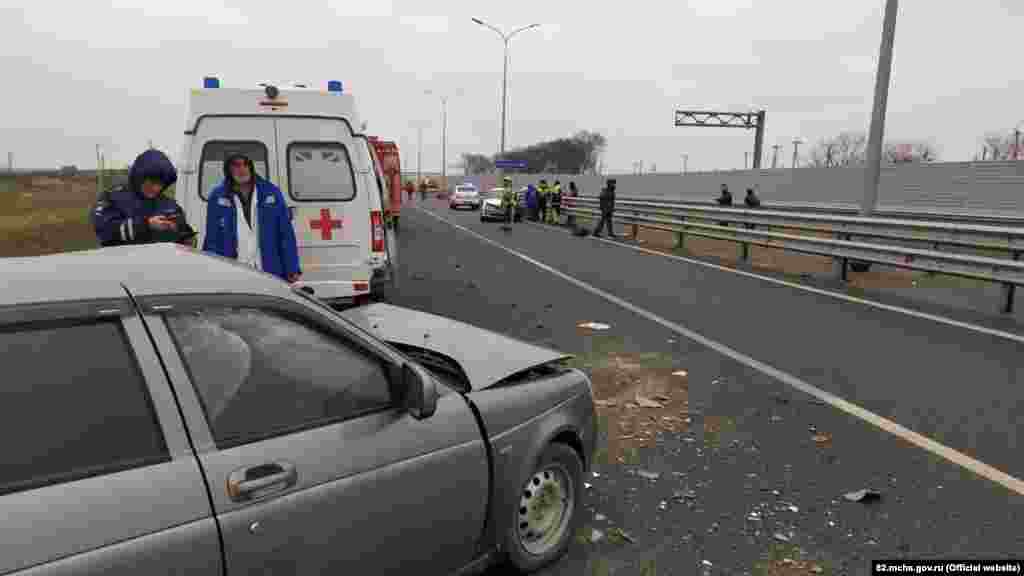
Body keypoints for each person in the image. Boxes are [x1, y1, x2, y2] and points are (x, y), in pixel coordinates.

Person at [202, 152, 301, 284]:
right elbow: (212, 237)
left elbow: (285, 233)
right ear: (228, 169)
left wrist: (292, 268)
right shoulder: (217, 196)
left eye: (246, 164)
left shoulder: (271, 192)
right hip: (233, 270)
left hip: (269, 269)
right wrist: (209, 269)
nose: (242, 169)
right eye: (236, 165)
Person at [92, 149, 196, 247]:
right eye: (151, 182)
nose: (156, 188)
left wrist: (187, 237)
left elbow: (184, 236)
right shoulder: (112, 198)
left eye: (161, 183)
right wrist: (146, 225)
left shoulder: (170, 205)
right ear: (139, 177)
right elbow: (105, 231)